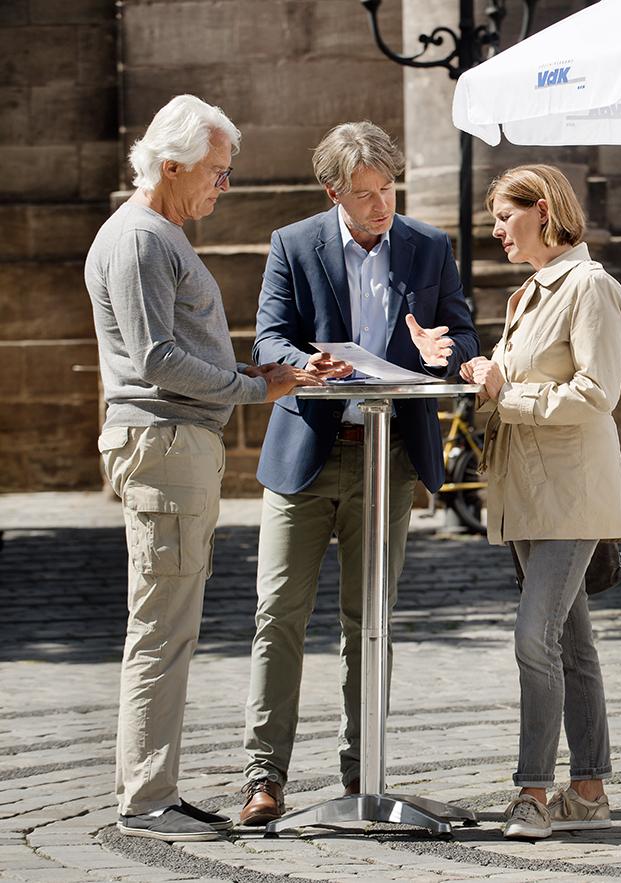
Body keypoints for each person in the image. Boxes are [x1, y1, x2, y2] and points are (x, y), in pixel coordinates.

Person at [86, 94, 322, 842]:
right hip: (166, 444)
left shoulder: (151, 234)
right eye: (217, 174)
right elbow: (157, 359)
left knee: (167, 625)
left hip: (174, 444)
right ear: (171, 165)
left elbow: (169, 349)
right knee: (162, 629)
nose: (224, 187)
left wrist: (254, 371)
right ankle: (149, 799)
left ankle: (150, 790)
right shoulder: (143, 239)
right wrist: (251, 387)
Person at [237, 121, 479, 826]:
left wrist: (443, 346)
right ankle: (264, 777)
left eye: (388, 190)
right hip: (308, 452)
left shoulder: (427, 246)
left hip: (387, 456)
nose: (381, 207)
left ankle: (359, 773)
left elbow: (462, 333)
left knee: (366, 619)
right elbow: (269, 334)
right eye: (365, 194)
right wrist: (303, 362)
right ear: (332, 191)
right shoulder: (294, 243)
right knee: (277, 614)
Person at [459, 164, 621, 841]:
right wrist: (476, 373)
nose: (497, 230)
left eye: (505, 216)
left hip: (571, 494)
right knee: (571, 643)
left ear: (543, 211)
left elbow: (597, 393)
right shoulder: (529, 293)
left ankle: (531, 792)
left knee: (533, 637)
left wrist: (505, 391)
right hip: (526, 494)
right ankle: (587, 788)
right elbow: (512, 387)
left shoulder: (590, 287)